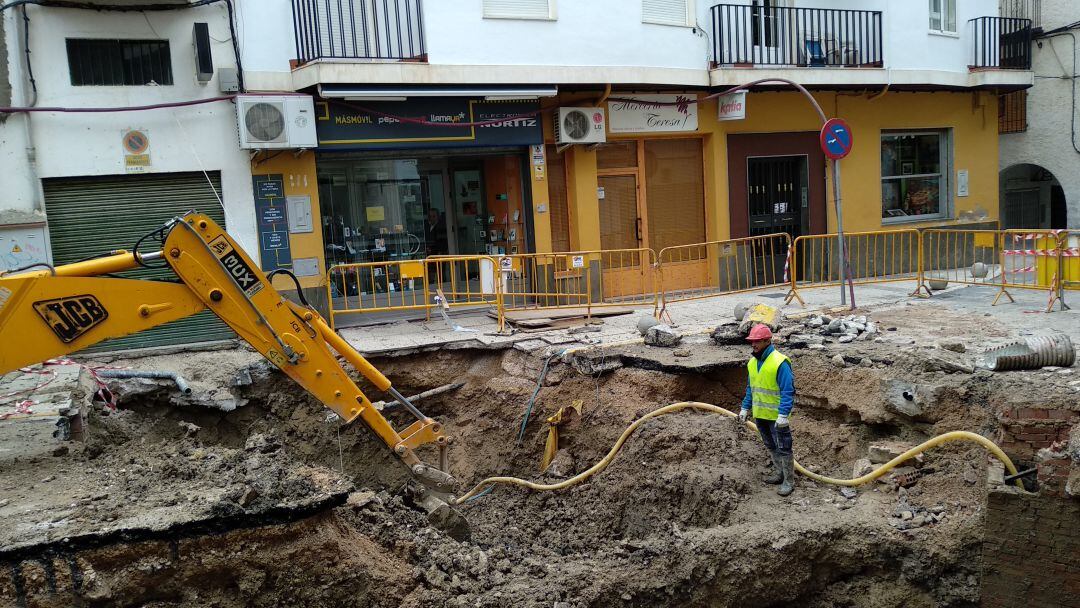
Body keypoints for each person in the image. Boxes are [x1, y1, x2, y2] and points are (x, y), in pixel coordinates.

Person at [738, 323, 797, 496]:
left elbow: (788, 390)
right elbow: (751, 388)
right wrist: (745, 407)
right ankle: (779, 473)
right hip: (761, 415)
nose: (753, 345)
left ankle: (789, 480)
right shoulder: (751, 363)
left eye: (757, 341)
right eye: (752, 341)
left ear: (767, 341)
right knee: (771, 445)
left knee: (784, 448)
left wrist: (783, 414)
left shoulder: (780, 362)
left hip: (777, 417)